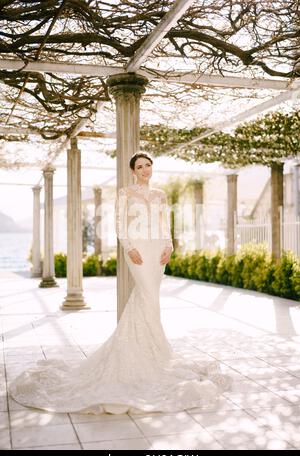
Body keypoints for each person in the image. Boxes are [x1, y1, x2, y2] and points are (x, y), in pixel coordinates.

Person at [9, 152, 230, 415]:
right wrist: (129, 247)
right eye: (140, 166)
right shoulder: (125, 193)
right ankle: (151, 354)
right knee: (147, 295)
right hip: (136, 249)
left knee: (150, 298)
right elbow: (119, 224)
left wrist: (169, 246)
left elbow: (163, 223)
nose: (146, 169)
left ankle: (152, 353)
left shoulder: (159, 194)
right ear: (132, 170)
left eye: (148, 165)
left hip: (158, 250)